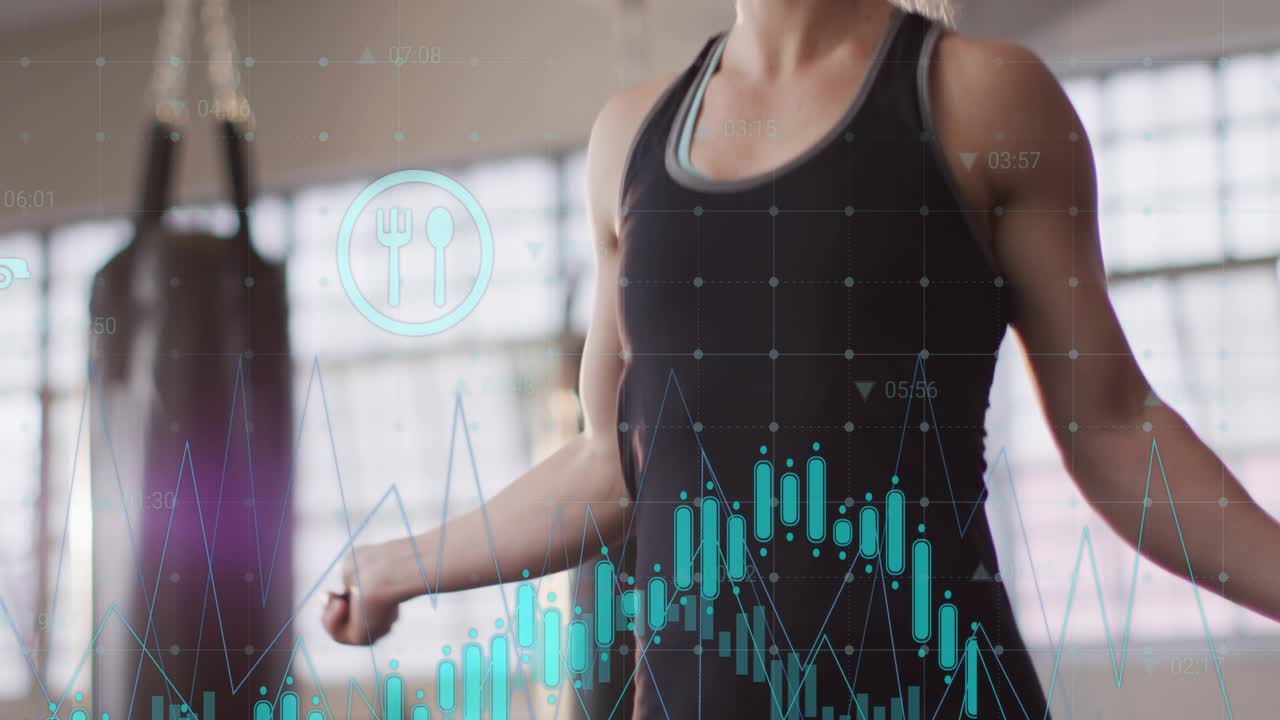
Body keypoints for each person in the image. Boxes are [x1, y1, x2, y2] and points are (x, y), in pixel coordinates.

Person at [323, 0, 1280, 716]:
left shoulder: (982, 96)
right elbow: (614, 462)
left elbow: (1113, 425)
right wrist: (400, 564)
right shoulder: (629, 139)